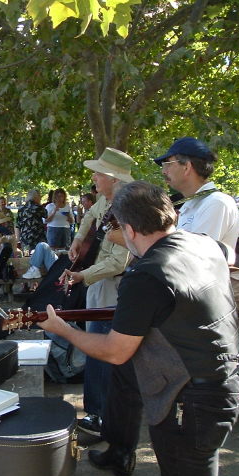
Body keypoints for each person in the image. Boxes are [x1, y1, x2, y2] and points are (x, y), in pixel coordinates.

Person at [39, 181, 239, 476]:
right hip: (229, 378)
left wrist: (63, 329)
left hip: (195, 400)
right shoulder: (203, 243)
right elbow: (231, 256)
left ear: (130, 230)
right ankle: (119, 451)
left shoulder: (145, 275)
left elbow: (115, 351)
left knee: (186, 468)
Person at [64, 147, 134, 437]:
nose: (93, 176)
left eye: (98, 173)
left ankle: (101, 417)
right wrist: (79, 239)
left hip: (114, 288)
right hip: (101, 284)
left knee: (102, 354)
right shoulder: (107, 201)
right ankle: (101, 414)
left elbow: (119, 261)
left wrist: (82, 275)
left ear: (114, 178)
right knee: (97, 351)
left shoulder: (127, 208)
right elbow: (89, 216)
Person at [154, 136, 239, 262]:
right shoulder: (193, 204)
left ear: (187, 167)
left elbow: (195, 257)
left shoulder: (216, 203)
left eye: (168, 164)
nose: (164, 171)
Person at [15, 189, 48, 253]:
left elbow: (17, 225)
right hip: (38, 236)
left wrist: (18, 240)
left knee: (26, 255)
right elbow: (46, 215)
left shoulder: (21, 209)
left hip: (25, 237)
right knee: (39, 255)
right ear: (36, 197)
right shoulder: (39, 208)